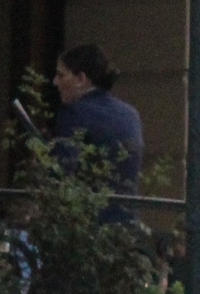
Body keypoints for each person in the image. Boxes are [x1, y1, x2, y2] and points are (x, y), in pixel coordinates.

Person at [49, 44, 142, 203]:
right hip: (128, 221)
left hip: (87, 221)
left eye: (61, 75)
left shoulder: (74, 113)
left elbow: (61, 171)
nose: (55, 82)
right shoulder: (130, 114)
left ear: (81, 79)